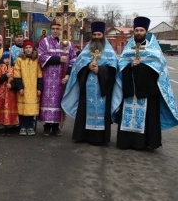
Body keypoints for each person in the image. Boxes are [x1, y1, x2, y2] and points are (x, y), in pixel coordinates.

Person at [114, 16, 178, 150]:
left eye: (141, 30)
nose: (138, 33)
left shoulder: (153, 49)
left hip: (148, 91)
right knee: (128, 116)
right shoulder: (129, 47)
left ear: (146, 32)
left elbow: (159, 68)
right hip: (130, 90)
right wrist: (130, 65)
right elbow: (121, 64)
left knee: (147, 117)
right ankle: (126, 142)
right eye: (136, 30)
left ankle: (143, 143)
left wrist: (141, 68)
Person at [61, 22, 122, 145]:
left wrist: (101, 70)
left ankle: (100, 138)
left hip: (102, 88)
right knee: (85, 110)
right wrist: (87, 67)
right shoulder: (86, 51)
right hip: (87, 87)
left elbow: (114, 71)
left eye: (99, 34)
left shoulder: (109, 52)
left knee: (102, 111)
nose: (97, 37)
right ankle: (83, 136)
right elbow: (78, 67)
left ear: (103, 35)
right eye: (94, 34)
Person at [38, 20, 77, 136]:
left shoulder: (68, 44)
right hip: (48, 78)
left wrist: (68, 75)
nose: (55, 31)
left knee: (59, 101)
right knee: (47, 101)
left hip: (61, 78)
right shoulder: (44, 42)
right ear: (51, 29)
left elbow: (73, 60)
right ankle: (47, 125)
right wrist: (58, 59)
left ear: (61, 30)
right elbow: (41, 57)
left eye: (57, 29)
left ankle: (56, 126)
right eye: (53, 28)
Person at [14, 40, 43, 136]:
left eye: (29, 48)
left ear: (32, 49)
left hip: (33, 88)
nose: (28, 49)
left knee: (31, 109)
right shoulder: (19, 60)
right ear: (24, 49)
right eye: (26, 48)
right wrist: (20, 87)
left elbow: (39, 75)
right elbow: (17, 75)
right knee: (23, 109)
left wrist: (39, 88)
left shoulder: (37, 60)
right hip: (24, 88)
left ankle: (30, 126)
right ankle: (23, 126)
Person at [0, 51, 19, 136]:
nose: (7, 60)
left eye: (9, 58)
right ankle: (0, 127)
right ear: (3, 59)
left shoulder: (14, 68)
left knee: (9, 108)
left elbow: (17, 79)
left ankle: (9, 127)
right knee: (0, 107)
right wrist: (5, 76)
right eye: (5, 58)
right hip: (0, 92)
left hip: (10, 93)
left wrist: (12, 85)